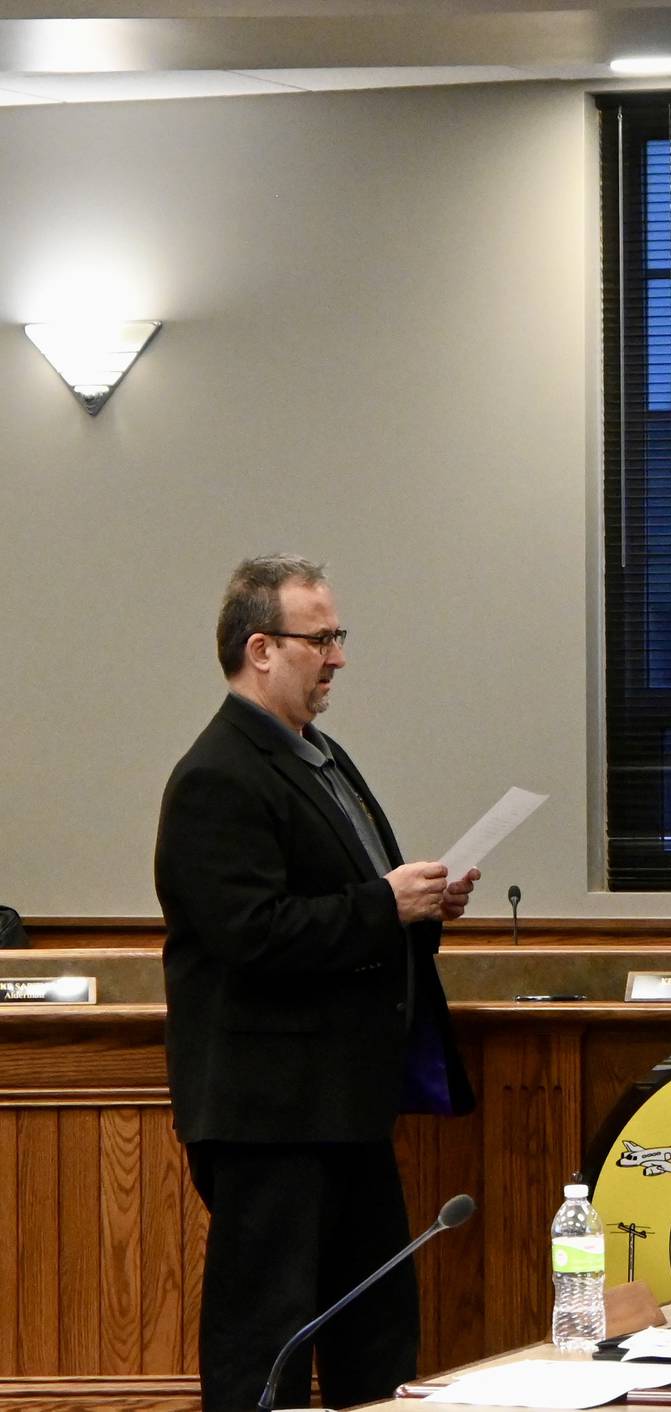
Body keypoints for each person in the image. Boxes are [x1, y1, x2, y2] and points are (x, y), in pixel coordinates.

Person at [155, 554, 477, 1412]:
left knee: (376, 1330)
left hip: (343, 1104)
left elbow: (346, 903)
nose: (337, 656)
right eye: (321, 638)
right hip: (271, 1116)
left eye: (339, 636)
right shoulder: (218, 775)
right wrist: (383, 904)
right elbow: (250, 936)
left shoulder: (316, 756)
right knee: (267, 1340)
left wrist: (422, 905)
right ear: (261, 648)